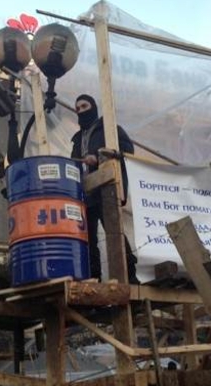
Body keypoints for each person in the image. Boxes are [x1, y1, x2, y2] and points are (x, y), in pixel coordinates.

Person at [71, 94, 139, 284]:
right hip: (85, 193)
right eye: (78, 109)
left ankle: (130, 277)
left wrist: (99, 157)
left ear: (93, 107)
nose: (81, 111)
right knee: (88, 238)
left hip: (106, 188)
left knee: (114, 231)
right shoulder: (77, 139)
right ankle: (94, 278)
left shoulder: (109, 128)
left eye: (84, 106)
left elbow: (127, 150)